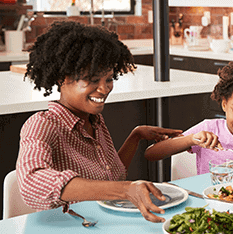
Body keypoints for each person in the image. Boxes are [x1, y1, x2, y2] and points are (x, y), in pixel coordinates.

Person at [16, 21, 182, 223]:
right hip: (70, 231)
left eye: (109, 79)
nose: (104, 89)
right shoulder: (42, 125)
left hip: (101, 223)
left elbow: (112, 178)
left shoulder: (95, 120)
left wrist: (136, 136)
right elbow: (31, 182)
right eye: (92, 80)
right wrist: (124, 190)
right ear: (61, 78)